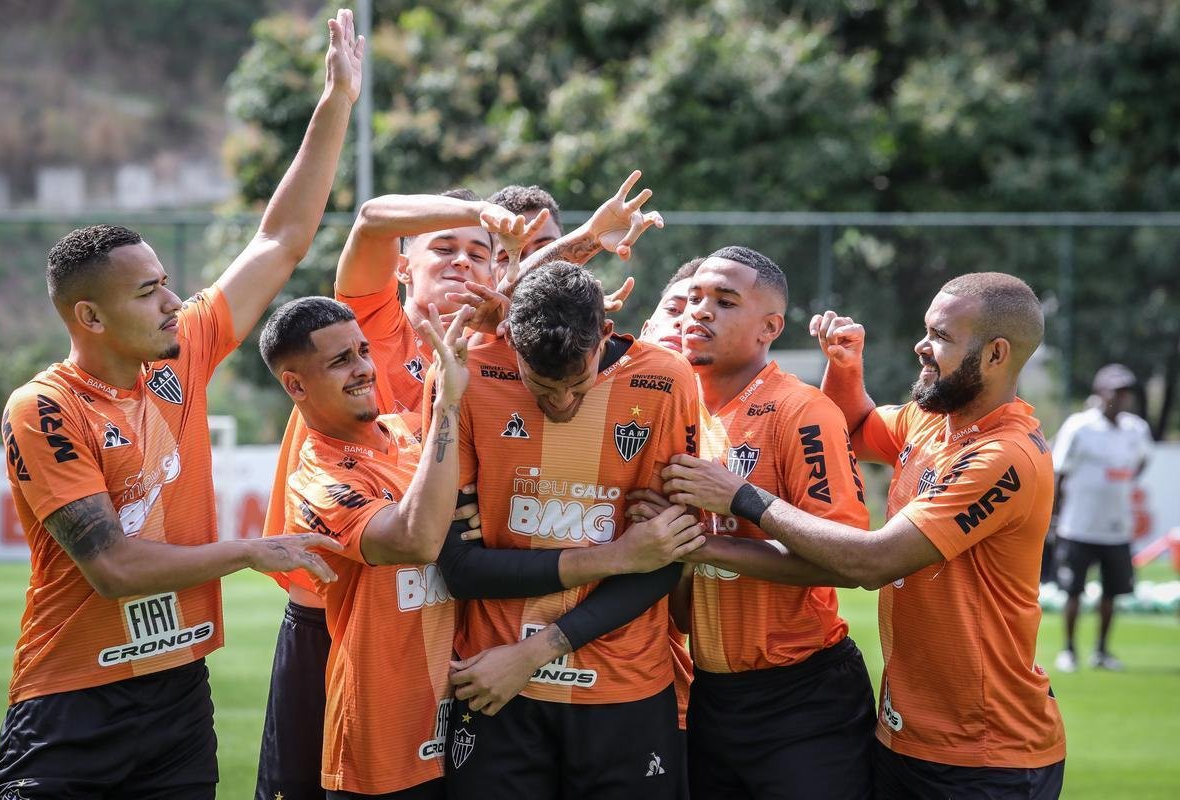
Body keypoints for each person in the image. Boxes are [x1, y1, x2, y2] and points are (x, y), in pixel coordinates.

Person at [0, 10, 364, 798]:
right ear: (89, 318)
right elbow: (116, 570)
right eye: (149, 291)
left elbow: (280, 240)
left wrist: (335, 103)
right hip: (71, 704)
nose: (172, 303)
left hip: (178, 696)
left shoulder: (180, 353)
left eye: (167, 284)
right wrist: (250, 552)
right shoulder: (45, 408)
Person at [255, 174, 660, 800]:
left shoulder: (490, 343)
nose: (463, 262)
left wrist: (580, 243)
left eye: (482, 253)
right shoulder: (370, 329)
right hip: (337, 610)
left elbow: (529, 300)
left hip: (447, 610)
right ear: (403, 267)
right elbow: (370, 216)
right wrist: (485, 213)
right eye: (444, 248)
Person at [662, 272, 1066, 798]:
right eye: (926, 330)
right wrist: (845, 368)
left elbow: (874, 562)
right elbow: (853, 427)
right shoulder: (930, 423)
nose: (923, 345)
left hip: (986, 752)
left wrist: (740, 498)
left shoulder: (1004, 456)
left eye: (941, 337)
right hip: (901, 736)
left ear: (995, 355)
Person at [435, 261, 703, 799]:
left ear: (605, 333)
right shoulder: (468, 373)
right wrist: (621, 554)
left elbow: (666, 557)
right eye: (540, 386)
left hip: (622, 688)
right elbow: (459, 568)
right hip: (493, 685)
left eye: (578, 383)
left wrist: (535, 652)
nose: (560, 404)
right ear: (508, 337)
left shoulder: (666, 379)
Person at [643, 247, 876, 798]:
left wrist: (704, 538)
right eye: (695, 297)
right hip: (711, 694)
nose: (699, 312)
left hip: (803, 697)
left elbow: (847, 562)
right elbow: (683, 601)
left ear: (770, 327)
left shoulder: (802, 411)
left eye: (725, 302)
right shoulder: (675, 412)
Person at [258, 296, 470, 798]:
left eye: (363, 351)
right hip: (381, 735)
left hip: (460, 705)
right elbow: (414, 539)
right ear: (295, 385)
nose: (364, 369)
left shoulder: (408, 433)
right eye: (341, 360)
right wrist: (446, 408)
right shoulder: (316, 477)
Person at [1052, 363, 1153, 673]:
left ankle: (1101, 651)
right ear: (1101, 392)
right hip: (1078, 525)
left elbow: (1141, 462)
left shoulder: (1137, 429)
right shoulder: (1079, 426)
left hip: (1117, 527)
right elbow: (1059, 472)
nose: (1123, 398)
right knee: (1074, 592)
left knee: (1112, 593)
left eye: (1126, 392)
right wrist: (1054, 516)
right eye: (1117, 391)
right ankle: (1069, 650)